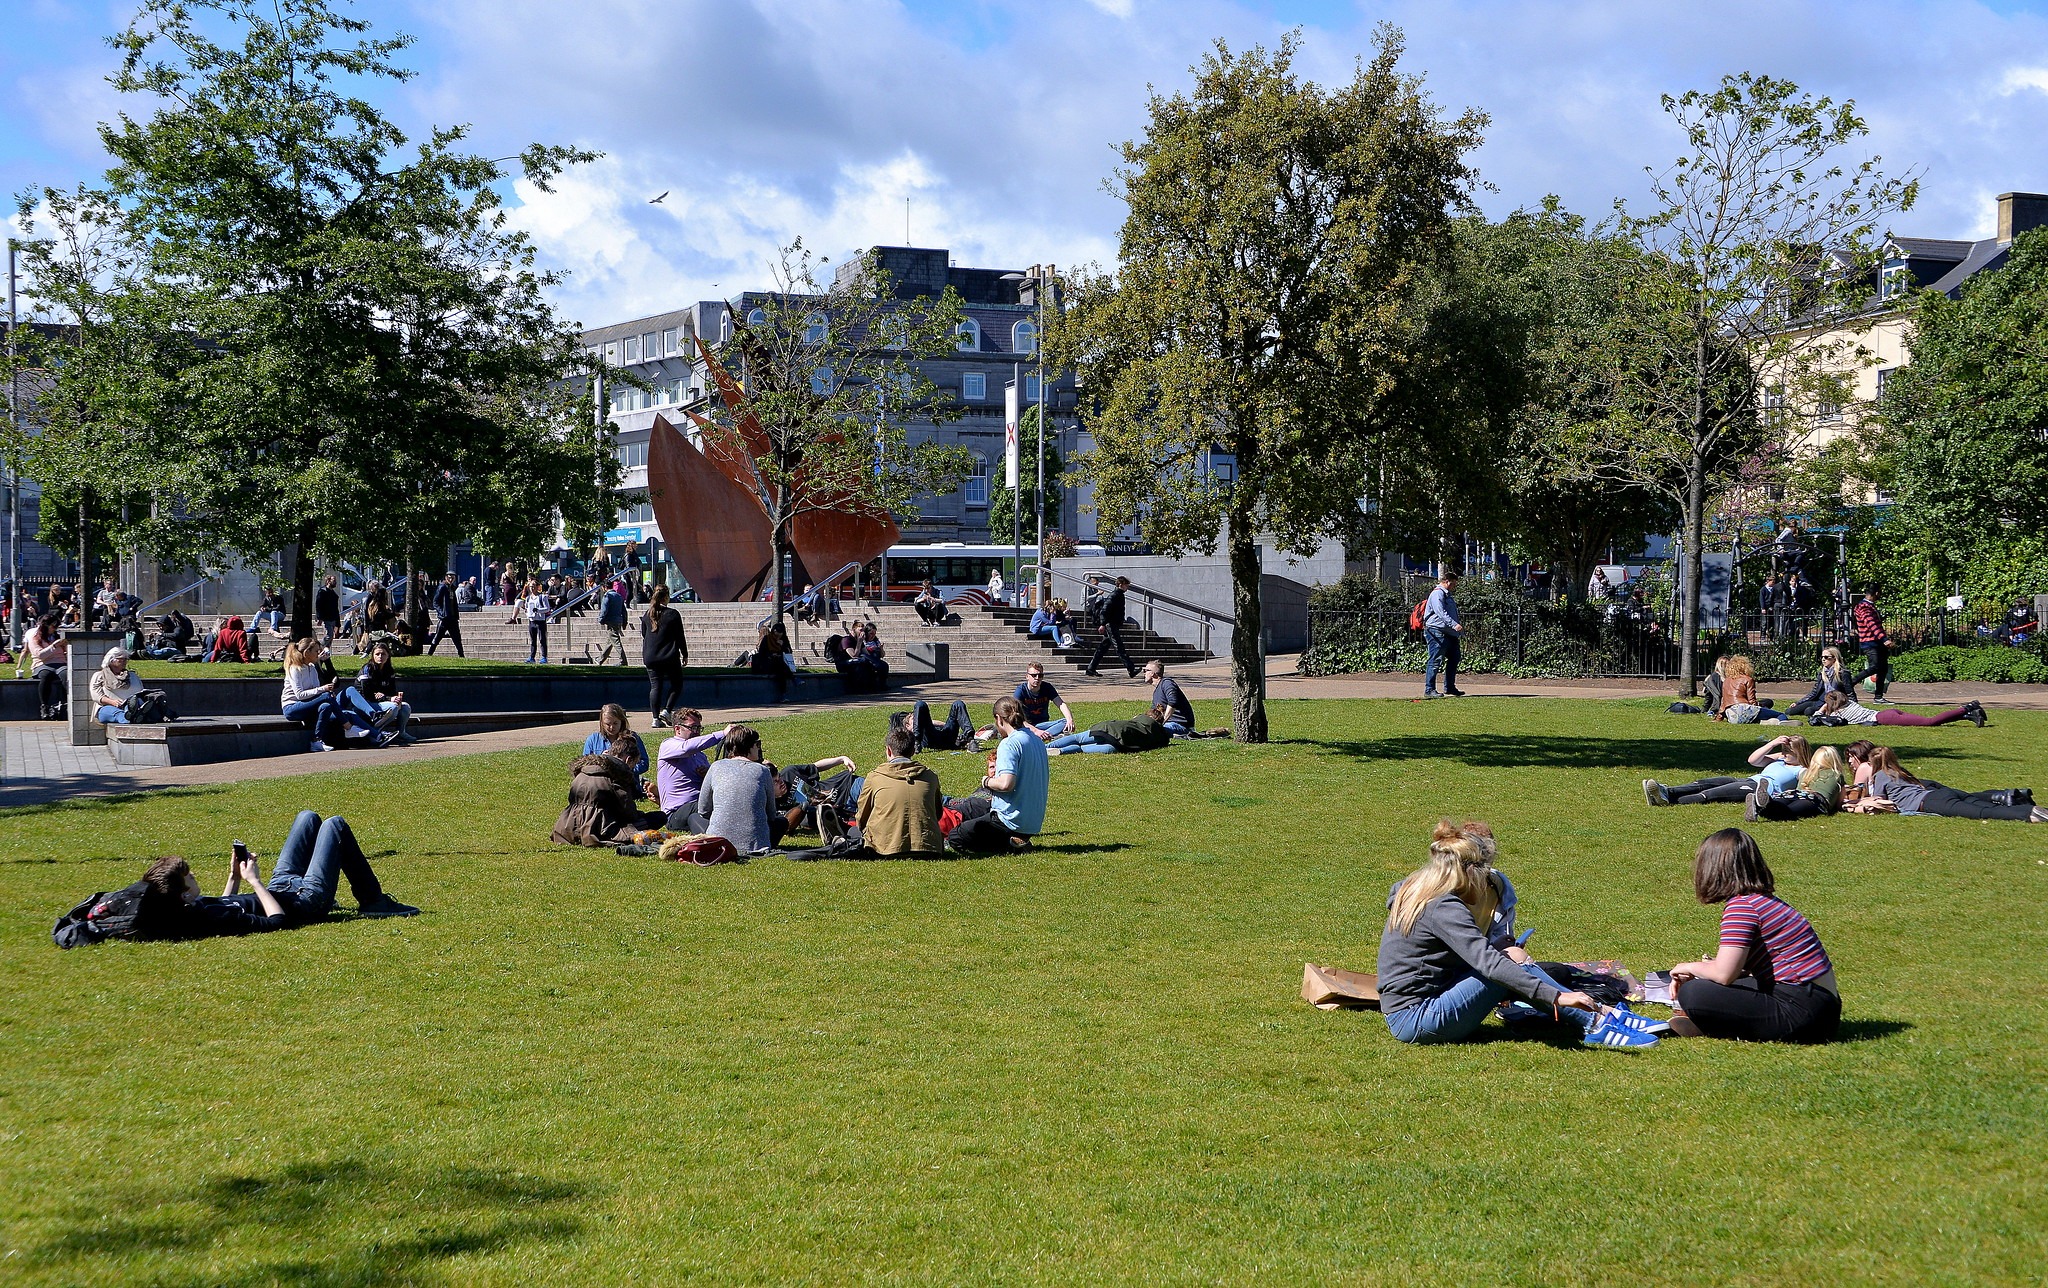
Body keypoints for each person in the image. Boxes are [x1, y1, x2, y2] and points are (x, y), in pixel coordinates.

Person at [1377, 822, 1657, 1048]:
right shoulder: (1443, 907)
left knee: (1510, 956)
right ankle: (1596, 1022)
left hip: (1415, 1008)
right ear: (1470, 871)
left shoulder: (1418, 890)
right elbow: (1490, 966)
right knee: (1508, 965)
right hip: (1417, 1019)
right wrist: (1557, 997)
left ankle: (1603, 1014)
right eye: (1484, 872)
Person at [121, 814, 417, 939]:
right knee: (334, 825)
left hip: (282, 887)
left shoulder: (192, 909)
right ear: (184, 894)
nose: (194, 874)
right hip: (305, 902)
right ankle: (373, 901)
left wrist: (234, 877)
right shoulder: (206, 920)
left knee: (307, 817)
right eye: (190, 877)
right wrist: (255, 881)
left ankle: (372, 899)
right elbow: (277, 922)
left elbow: (225, 904)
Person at [1668, 829, 1839, 1043]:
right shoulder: (1763, 901)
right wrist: (1706, 970)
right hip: (1821, 1006)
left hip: (1804, 1012)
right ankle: (1711, 1021)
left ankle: (1713, 1024)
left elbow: (1724, 974)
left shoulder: (1743, 907)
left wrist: (1687, 967)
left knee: (1694, 993)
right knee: (1722, 985)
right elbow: (1742, 969)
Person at [818, 725, 947, 859]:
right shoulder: (931, 777)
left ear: (888, 750)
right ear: (913, 750)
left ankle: (841, 834)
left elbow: (862, 818)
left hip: (885, 849)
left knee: (854, 831)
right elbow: (938, 813)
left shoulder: (875, 777)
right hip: (929, 847)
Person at [948, 697, 1050, 853]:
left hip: (1010, 820)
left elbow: (1006, 784)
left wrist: (986, 781)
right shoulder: (1037, 741)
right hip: (1033, 822)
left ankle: (1010, 846)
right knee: (974, 822)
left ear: (999, 719)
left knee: (956, 836)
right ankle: (1015, 841)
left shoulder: (1009, 743)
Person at [1847, 745, 2048, 822]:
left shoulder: (1881, 776)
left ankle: (2029, 814)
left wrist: (1856, 803)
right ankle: (2019, 802)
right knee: (1980, 805)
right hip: (1940, 794)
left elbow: (1880, 801)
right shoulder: (1899, 771)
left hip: (1930, 802)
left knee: (1981, 813)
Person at [1643, 734, 1812, 807]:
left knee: (1710, 794)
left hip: (1757, 789)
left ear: (1800, 752)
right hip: (1747, 780)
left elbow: (1806, 786)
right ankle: (1667, 791)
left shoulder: (1801, 769)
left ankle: (1668, 801)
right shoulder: (1780, 758)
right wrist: (1773, 743)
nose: (1784, 753)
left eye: (1788, 751)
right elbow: (1753, 760)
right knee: (1703, 783)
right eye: (1783, 750)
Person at [551, 738, 662, 845]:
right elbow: (628, 812)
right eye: (634, 764)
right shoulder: (618, 776)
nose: (633, 769)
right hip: (599, 829)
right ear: (628, 760)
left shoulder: (583, 772)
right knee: (658, 817)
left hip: (568, 827)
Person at [281, 638, 385, 751]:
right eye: (316, 651)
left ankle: (316, 741)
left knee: (326, 706)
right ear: (307, 653)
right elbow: (299, 695)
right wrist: (323, 690)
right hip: (292, 707)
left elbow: (317, 690)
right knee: (326, 697)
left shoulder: (312, 668)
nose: (318, 654)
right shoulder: (295, 669)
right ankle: (348, 727)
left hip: (308, 705)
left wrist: (327, 691)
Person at [696, 724, 778, 852]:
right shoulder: (762, 771)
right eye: (757, 744)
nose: (759, 748)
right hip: (756, 845)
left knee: (693, 818)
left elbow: (703, 810)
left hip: (717, 844)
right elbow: (771, 814)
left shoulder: (716, 767)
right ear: (749, 746)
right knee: (781, 822)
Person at [657, 709, 731, 832]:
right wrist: (721, 734)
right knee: (715, 806)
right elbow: (686, 748)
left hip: (699, 805)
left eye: (699, 728)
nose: (697, 732)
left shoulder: (700, 756)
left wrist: (707, 774)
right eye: (693, 727)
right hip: (676, 813)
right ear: (677, 729)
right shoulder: (668, 745)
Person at [1746, 745, 1845, 823]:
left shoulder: (1806, 771)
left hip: (1794, 793)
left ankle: (1764, 804)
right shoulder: (1837, 774)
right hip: (1815, 799)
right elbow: (1839, 802)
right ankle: (1764, 804)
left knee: (1777, 805)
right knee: (1790, 811)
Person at [1816, 688, 1985, 728]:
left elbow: (1818, 718)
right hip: (1887, 713)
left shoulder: (1840, 714)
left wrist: (1822, 710)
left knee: (1930, 722)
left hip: (1884, 718)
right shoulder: (1850, 703)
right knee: (1929, 721)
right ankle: (1970, 715)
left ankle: (1968, 707)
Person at [641, 584, 688, 724]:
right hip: (668, 655)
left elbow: (644, 634)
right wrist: (684, 653)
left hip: (650, 655)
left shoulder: (647, 614)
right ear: (666, 597)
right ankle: (667, 710)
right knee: (677, 684)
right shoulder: (672, 614)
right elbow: (680, 636)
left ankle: (655, 718)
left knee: (655, 686)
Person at [1048, 704, 1173, 755]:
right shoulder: (1161, 735)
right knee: (1081, 748)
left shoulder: (1139, 718)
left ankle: (1046, 747)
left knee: (1077, 738)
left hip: (1107, 728)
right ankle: (1061, 751)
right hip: (1117, 745)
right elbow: (1164, 740)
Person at [354, 640, 414, 742]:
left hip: (380, 702)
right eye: (377, 654)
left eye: (383, 654)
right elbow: (367, 694)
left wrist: (392, 698)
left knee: (405, 707)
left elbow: (391, 691)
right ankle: (374, 733)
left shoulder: (389, 671)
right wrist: (387, 698)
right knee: (393, 707)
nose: (380, 656)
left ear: (388, 656)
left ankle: (401, 733)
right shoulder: (367, 669)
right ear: (372, 656)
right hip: (365, 705)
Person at [1422, 569, 1465, 699]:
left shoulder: (1447, 594)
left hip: (1449, 632)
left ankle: (1449, 687)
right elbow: (1440, 612)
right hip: (1436, 631)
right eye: (1453, 584)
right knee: (1435, 660)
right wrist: (1454, 625)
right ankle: (1429, 690)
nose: (1454, 587)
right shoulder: (1437, 594)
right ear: (1447, 582)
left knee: (1455, 657)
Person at [1085, 576, 1137, 678]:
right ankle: (1131, 669)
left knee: (1102, 648)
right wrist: (1103, 624)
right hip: (1111, 625)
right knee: (1119, 647)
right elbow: (1105, 610)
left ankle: (1091, 668)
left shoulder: (1118, 595)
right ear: (1121, 585)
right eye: (1126, 585)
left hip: (1113, 624)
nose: (1127, 587)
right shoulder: (1115, 595)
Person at [1713, 655, 1790, 723]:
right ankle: (1782, 722)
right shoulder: (1748, 679)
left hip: (1731, 715)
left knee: (1758, 714)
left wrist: (1719, 717)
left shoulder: (1726, 681)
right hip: (1744, 710)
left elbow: (1724, 702)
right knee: (1780, 714)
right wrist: (1761, 707)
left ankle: (1764, 721)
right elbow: (1752, 701)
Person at [1786, 645, 1857, 718]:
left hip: (1834, 702)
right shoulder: (1822, 673)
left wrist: (1854, 708)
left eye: (1826, 657)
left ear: (1834, 658)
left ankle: (1825, 711)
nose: (1823, 659)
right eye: (1822, 657)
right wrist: (1798, 703)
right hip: (1820, 701)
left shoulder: (1843, 673)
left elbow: (1850, 692)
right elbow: (1814, 692)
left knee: (1809, 711)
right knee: (1789, 711)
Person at [581, 702, 648, 775]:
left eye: (615, 723)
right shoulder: (593, 740)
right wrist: (600, 760)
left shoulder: (632, 738)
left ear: (621, 721)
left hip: (627, 780)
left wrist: (626, 769)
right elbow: (584, 765)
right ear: (602, 723)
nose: (611, 727)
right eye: (608, 724)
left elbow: (644, 763)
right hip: (602, 780)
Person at [1014, 662, 1075, 739]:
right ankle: (1050, 736)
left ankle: (1041, 737)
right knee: (1018, 728)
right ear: (1027, 676)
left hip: (1044, 725)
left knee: (1065, 722)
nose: (1037, 678)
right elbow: (1016, 716)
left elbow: (1061, 703)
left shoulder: (1047, 687)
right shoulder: (1020, 691)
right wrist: (1036, 731)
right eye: (1033, 675)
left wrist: (1070, 720)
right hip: (1027, 726)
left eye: (1040, 675)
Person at [1851, 591, 1893, 701]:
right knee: (1875, 667)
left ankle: (1878, 697)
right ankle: (1850, 683)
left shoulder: (1869, 606)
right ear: (1876, 593)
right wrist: (1884, 639)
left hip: (1876, 642)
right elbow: (1871, 624)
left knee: (1882, 669)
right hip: (1869, 642)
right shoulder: (1864, 607)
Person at [26, 613, 69, 720]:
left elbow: (66, 653)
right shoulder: (35, 638)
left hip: (60, 663)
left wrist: (66, 648)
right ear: (45, 625)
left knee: (66, 675)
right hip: (42, 664)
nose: (55, 629)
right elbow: (40, 655)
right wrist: (54, 646)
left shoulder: (57, 636)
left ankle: (66, 705)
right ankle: (44, 706)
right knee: (46, 675)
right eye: (53, 626)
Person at [89, 646, 147, 724]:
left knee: (134, 706)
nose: (124, 662)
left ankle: (132, 714)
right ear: (111, 660)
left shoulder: (133, 676)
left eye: (126, 659)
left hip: (129, 706)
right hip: (106, 708)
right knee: (118, 714)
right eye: (121, 659)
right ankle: (128, 719)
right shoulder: (99, 676)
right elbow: (95, 695)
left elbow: (141, 692)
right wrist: (112, 702)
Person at [1142, 659, 1195, 735]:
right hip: (1170, 724)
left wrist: (1162, 723)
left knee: (1154, 731)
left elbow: (1173, 702)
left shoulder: (1167, 683)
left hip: (1181, 726)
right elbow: (1154, 713)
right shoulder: (1157, 691)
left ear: (1153, 673)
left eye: (1145, 671)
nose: (1144, 673)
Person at [905, 698, 977, 752]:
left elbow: (942, 724)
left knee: (958, 703)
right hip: (930, 739)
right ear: (907, 726)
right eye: (914, 719)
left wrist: (949, 725)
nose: (917, 718)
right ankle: (917, 743)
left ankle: (971, 740)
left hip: (946, 736)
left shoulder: (930, 723)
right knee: (920, 704)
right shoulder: (907, 734)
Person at [751, 623, 795, 702]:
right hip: (767, 663)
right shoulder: (767, 639)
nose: (777, 637)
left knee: (780, 670)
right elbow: (762, 653)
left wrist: (783, 646)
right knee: (779, 666)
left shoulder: (784, 640)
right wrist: (771, 654)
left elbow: (789, 652)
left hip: (779, 664)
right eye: (776, 635)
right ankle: (793, 678)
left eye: (780, 635)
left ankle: (783, 695)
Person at [427, 571, 465, 657]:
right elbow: (435, 602)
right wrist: (442, 613)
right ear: (446, 577)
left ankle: (461, 655)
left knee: (457, 638)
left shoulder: (452, 588)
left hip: (452, 618)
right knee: (437, 637)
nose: (450, 579)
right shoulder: (442, 587)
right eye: (449, 577)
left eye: (452, 578)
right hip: (445, 618)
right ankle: (430, 653)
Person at [592, 580, 629, 666]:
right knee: (610, 641)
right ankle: (600, 659)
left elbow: (604, 610)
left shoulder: (607, 596)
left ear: (604, 587)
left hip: (611, 621)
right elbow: (624, 611)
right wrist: (625, 621)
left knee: (615, 641)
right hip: (618, 620)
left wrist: (601, 619)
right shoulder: (619, 596)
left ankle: (623, 661)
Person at [520, 580, 552, 664]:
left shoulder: (542, 597)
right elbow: (527, 608)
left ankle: (544, 657)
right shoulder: (528, 598)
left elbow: (547, 608)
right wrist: (527, 612)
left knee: (542, 639)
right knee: (533, 640)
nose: (532, 588)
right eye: (531, 586)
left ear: (537, 587)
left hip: (540, 621)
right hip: (532, 621)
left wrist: (538, 610)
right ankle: (532, 657)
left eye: (534, 586)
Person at [858, 621, 889, 686]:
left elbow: (882, 655)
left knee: (885, 665)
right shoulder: (863, 641)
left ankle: (882, 684)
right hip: (869, 659)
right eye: (871, 633)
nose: (873, 636)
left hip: (876, 659)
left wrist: (881, 649)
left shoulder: (876, 641)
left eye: (874, 634)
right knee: (876, 666)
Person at [314, 574, 341, 645]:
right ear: (328, 581)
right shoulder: (322, 591)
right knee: (329, 636)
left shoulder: (334, 594)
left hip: (333, 618)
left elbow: (336, 608)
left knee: (330, 639)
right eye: (334, 581)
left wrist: (338, 623)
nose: (335, 582)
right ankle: (320, 647)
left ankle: (326, 651)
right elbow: (318, 605)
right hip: (326, 618)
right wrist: (319, 618)